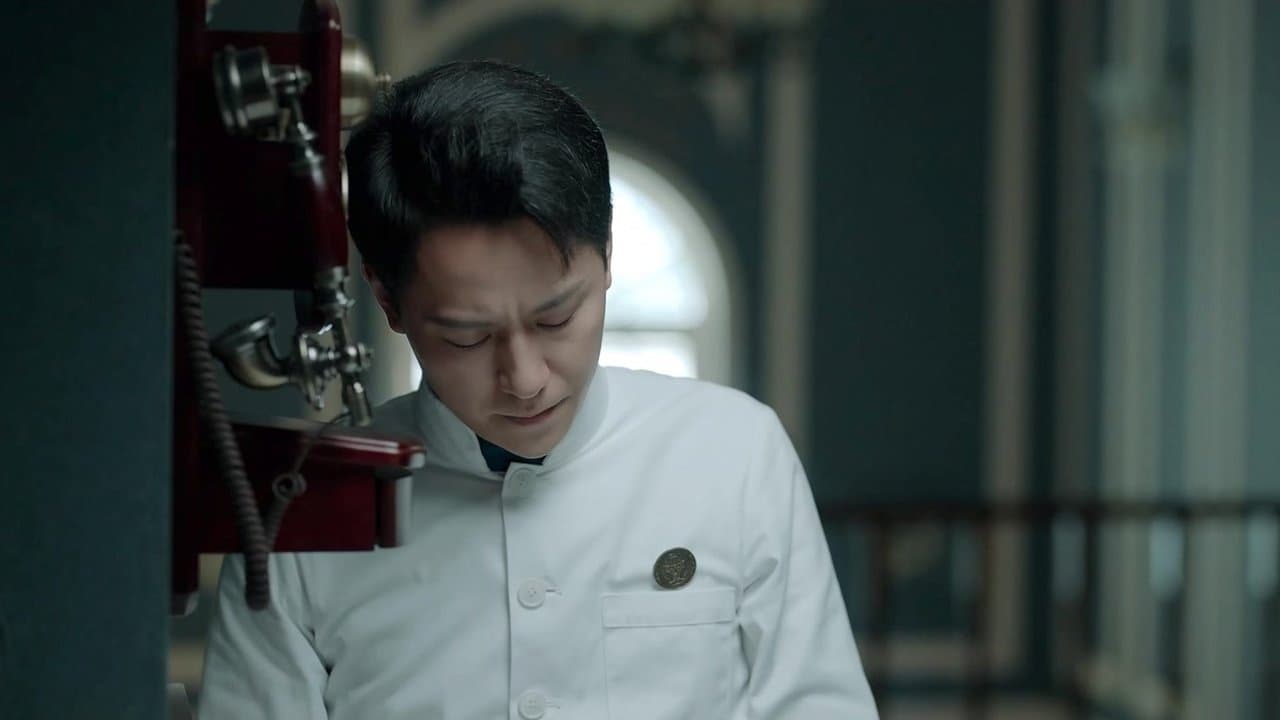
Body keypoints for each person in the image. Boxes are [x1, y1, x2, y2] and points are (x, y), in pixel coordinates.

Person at [198, 59, 878, 720]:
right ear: (387, 300)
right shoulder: (304, 506)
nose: (525, 380)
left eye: (557, 319)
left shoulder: (735, 452)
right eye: (468, 337)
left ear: (608, 256)